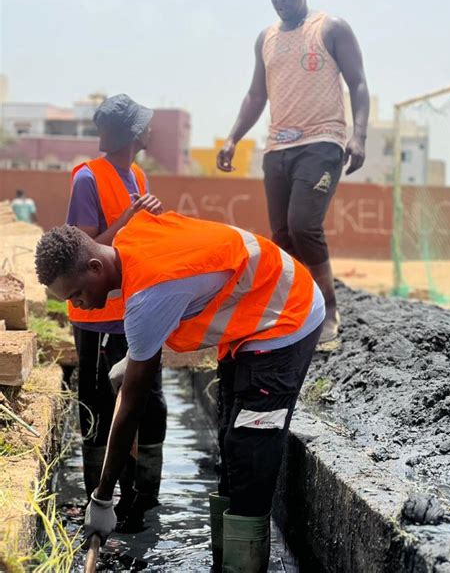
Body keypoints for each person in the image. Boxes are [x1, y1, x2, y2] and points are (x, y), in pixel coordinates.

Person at [35, 209, 325, 572]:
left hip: (287, 314)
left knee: (251, 445)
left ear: (95, 267)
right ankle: (225, 559)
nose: (76, 305)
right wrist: (138, 357)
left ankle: (243, 566)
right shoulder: (129, 242)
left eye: (76, 294)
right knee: (231, 442)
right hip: (252, 318)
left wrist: (103, 497)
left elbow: (131, 404)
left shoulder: (147, 294)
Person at [217, 0, 370, 343]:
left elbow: (359, 83)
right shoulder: (265, 39)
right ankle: (297, 310)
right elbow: (256, 94)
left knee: (304, 224)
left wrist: (359, 136)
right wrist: (233, 137)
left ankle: (330, 311)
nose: (282, 0)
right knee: (283, 234)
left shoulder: (331, 28)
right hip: (278, 148)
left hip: (322, 141)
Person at [66, 94, 167, 529]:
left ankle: (140, 502)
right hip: (95, 316)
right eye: (145, 125)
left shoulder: (138, 175)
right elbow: (85, 252)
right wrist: (128, 215)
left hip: (134, 309)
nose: (150, 130)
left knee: (146, 403)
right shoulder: (88, 179)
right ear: (132, 134)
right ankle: (98, 499)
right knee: (97, 405)